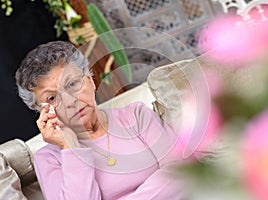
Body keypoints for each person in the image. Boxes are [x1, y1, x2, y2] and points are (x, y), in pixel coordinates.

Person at [15, 41, 185, 200]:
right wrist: (71, 146)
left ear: (90, 81)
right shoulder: (48, 159)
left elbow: (182, 172)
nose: (70, 101)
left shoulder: (136, 115)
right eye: (52, 98)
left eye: (72, 84)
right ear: (41, 111)